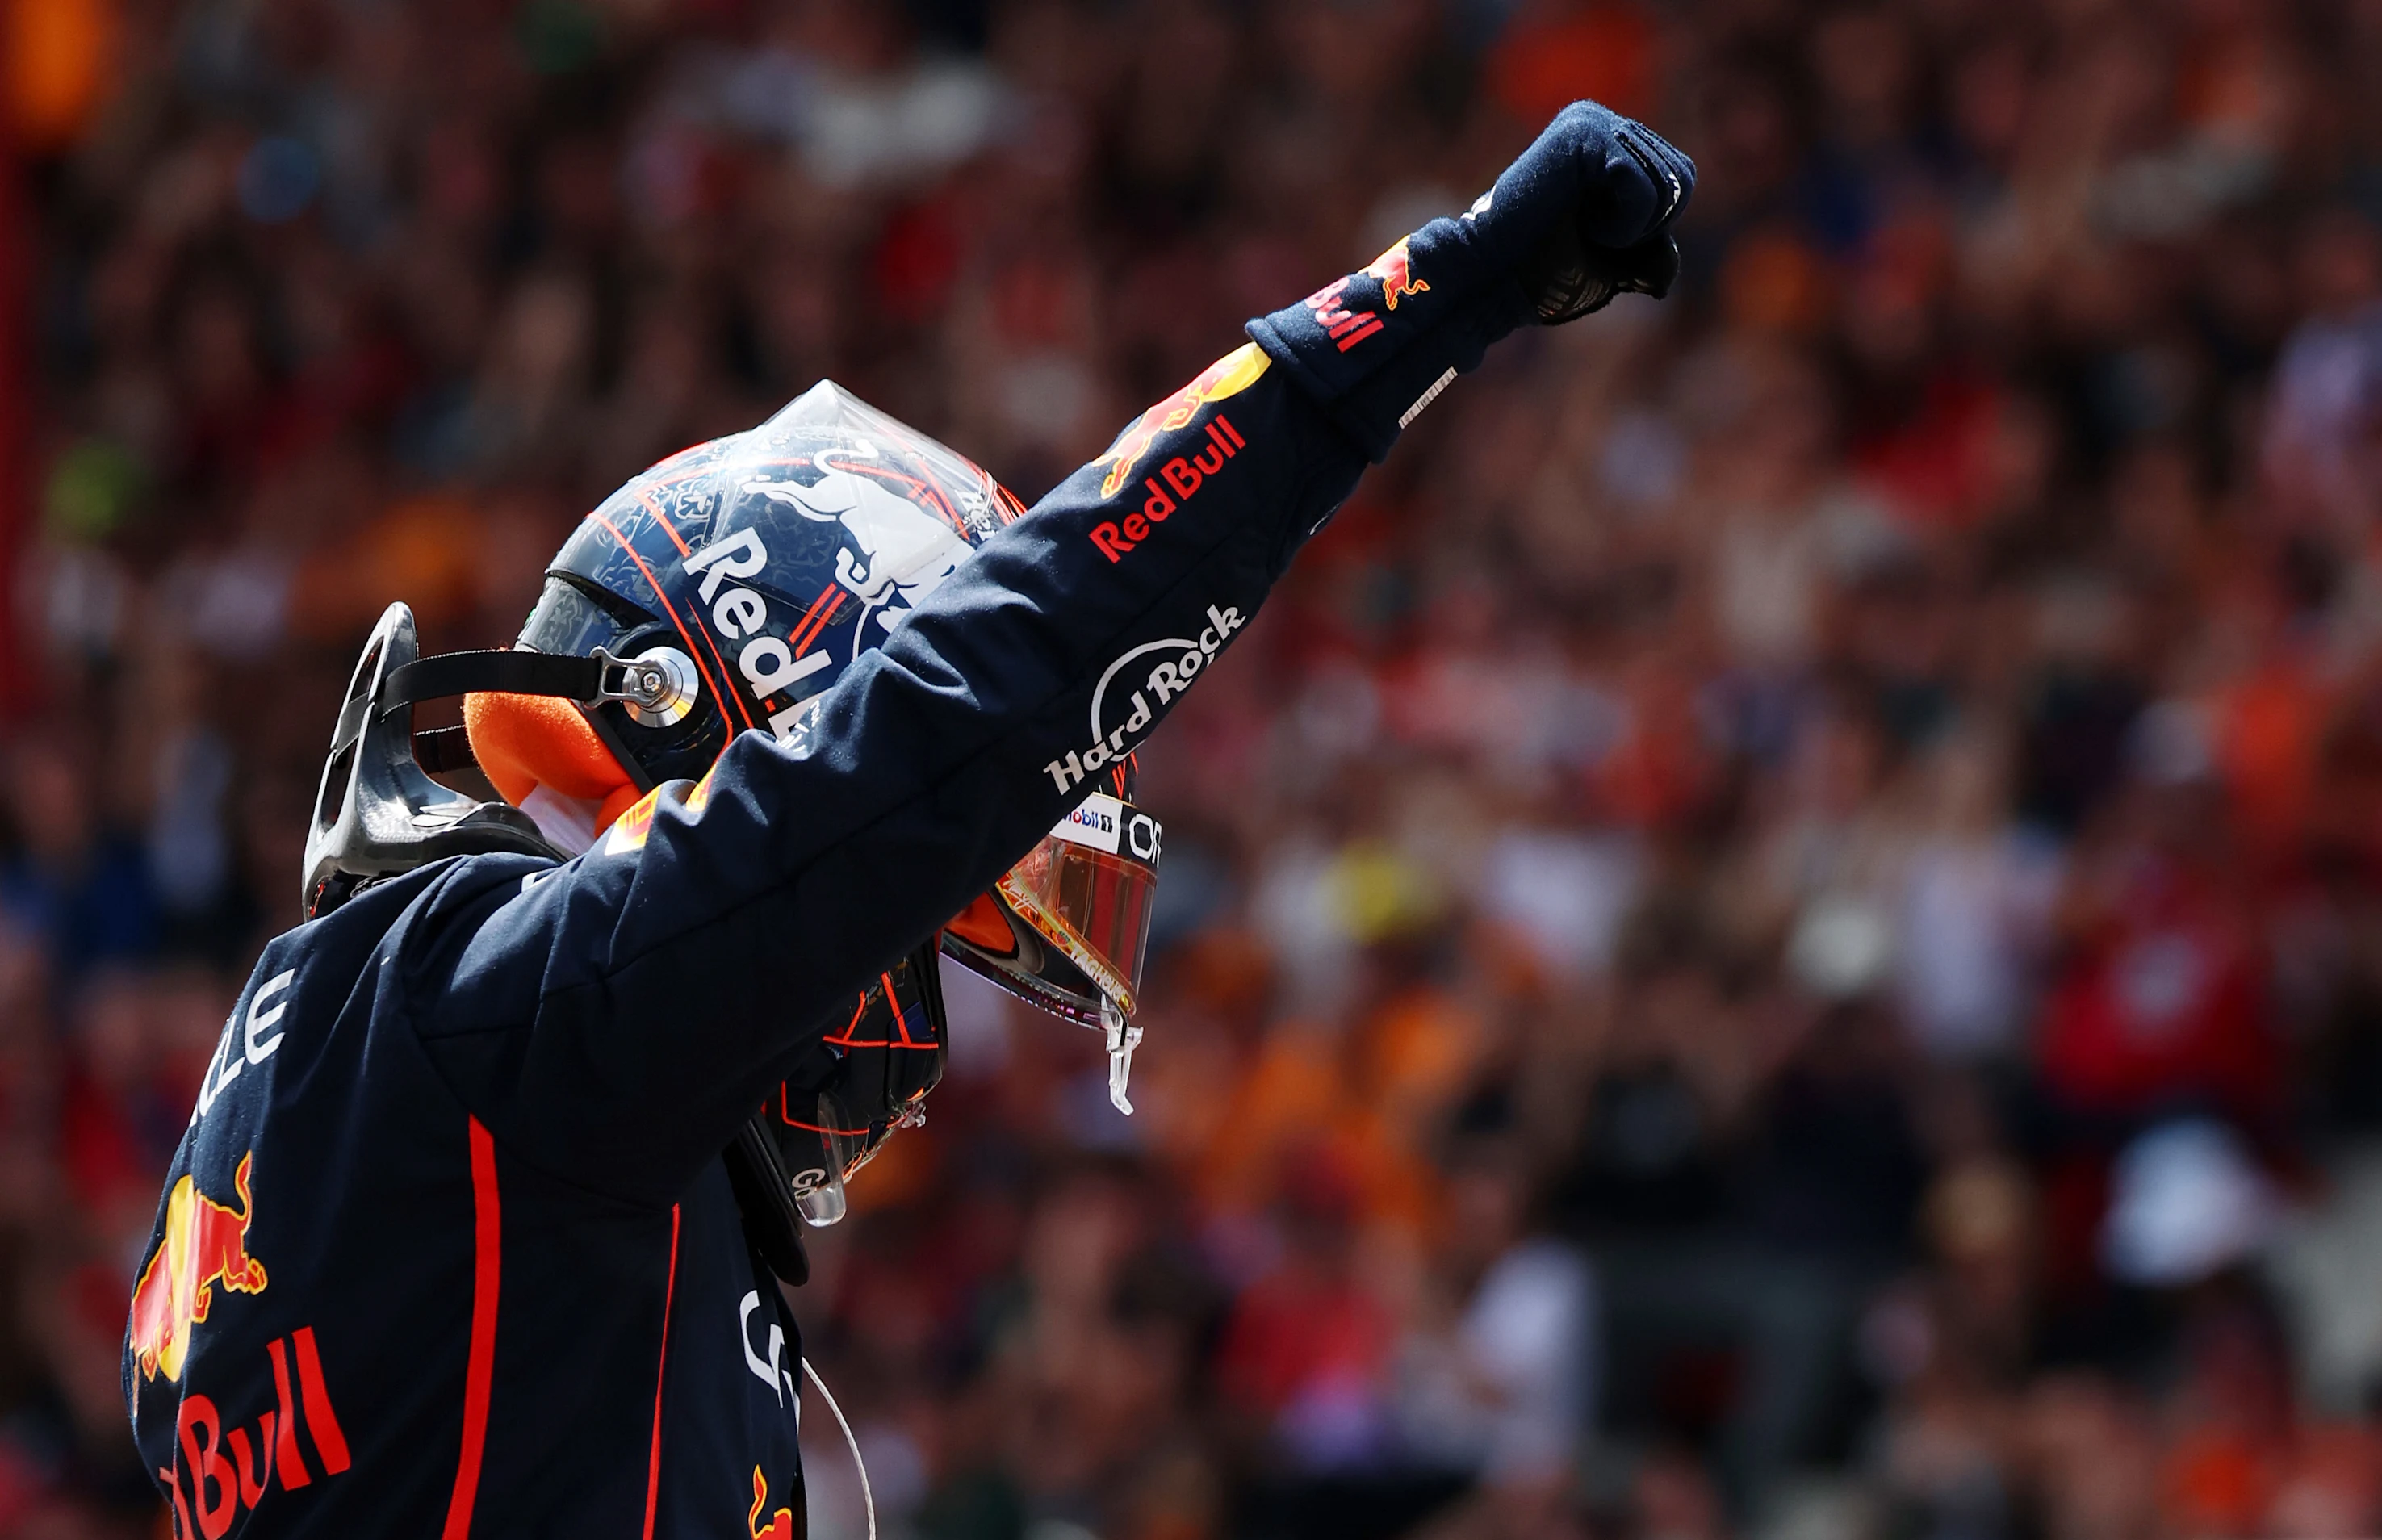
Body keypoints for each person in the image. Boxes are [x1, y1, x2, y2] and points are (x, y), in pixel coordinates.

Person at [117, 103, 1693, 1538]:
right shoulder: (505, 1021)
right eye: (924, 928)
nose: (906, 1028)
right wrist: (1437, 295)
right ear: (737, 724)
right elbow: (996, 683)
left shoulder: (369, 1064)